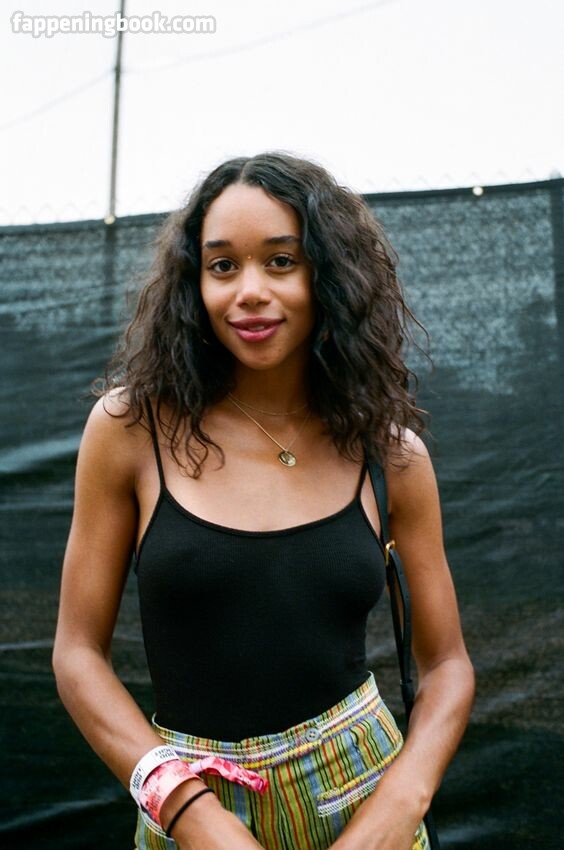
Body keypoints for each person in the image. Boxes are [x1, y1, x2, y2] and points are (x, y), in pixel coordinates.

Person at [53, 151, 475, 850]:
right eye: (222, 266)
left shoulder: (390, 455)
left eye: (281, 261)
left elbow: (448, 665)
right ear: (194, 283)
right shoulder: (131, 430)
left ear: (329, 276)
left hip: (363, 794)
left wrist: (400, 806)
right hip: (189, 800)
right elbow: (76, 654)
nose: (248, 291)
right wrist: (190, 812)